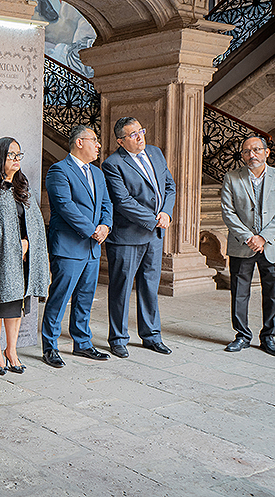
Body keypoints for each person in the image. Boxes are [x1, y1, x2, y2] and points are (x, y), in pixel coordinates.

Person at [0, 137, 49, 374]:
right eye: (11, 155)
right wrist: (10, 245)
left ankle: (12, 350)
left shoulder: (22, 186)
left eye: (19, 155)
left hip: (23, 257)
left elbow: (34, 222)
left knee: (17, 306)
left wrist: (28, 244)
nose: (16, 159)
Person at [102, 117, 176, 358]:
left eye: (141, 131)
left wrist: (166, 212)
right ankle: (118, 338)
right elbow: (123, 202)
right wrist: (154, 219)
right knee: (121, 288)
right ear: (121, 141)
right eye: (133, 134)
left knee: (150, 286)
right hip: (126, 236)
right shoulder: (112, 164)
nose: (140, 136)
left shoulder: (155, 153)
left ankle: (151, 335)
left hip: (154, 234)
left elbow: (169, 187)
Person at [40, 125, 113, 368]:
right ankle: (50, 347)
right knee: (60, 297)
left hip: (92, 247)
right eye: (94, 140)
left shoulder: (98, 173)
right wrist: (93, 229)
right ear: (79, 142)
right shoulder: (59, 170)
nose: (98, 145)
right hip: (69, 246)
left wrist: (105, 226)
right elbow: (64, 206)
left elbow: (107, 204)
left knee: (85, 297)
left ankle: (82, 343)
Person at [221, 136, 275, 356]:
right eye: (246, 151)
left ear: (267, 152)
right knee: (239, 292)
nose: (251, 155)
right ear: (242, 155)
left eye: (256, 150)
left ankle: (268, 337)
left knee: (273, 293)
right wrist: (249, 237)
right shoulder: (232, 178)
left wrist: (263, 237)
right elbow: (228, 211)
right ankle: (242, 335)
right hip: (242, 245)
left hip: (272, 245)